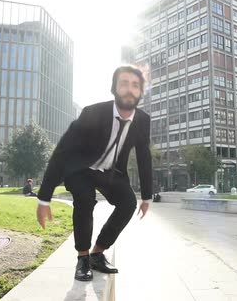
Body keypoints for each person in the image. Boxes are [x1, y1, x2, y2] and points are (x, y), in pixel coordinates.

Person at [37, 65, 152, 281]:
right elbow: (62, 151)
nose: (129, 89)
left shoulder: (143, 120)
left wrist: (147, 195)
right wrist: (44, 198)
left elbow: (144, 155)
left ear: (140, 92)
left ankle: (97, 253)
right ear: (114, 88)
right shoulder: (93, 113)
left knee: (128, 203)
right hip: (81, 169)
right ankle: (82, 258)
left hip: (110, 172)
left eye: (135, 85)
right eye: (124, 83)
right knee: (85, 199)